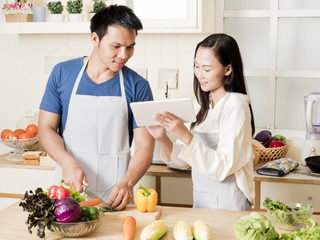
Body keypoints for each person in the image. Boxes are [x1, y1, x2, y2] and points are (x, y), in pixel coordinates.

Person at [38, 5, 155, 210]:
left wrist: (128, 183)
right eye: (116, 46)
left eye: (130, 47)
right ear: (95, 39)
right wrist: (67, 164)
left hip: (117, 192)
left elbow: (145, 146)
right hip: (68, 189)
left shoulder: (138, 86)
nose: (124, 55)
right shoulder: (62, 74)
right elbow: (46, 129)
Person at [147, 33, 255, 211]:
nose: (200, 74)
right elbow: (183, 162)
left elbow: (222, 167)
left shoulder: (236, 105)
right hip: (202, 202)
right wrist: (162, 138)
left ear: (227, 69)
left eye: (207, 69)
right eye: (196, 66)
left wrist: (184, 134)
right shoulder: (202, 106)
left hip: (229, 204)